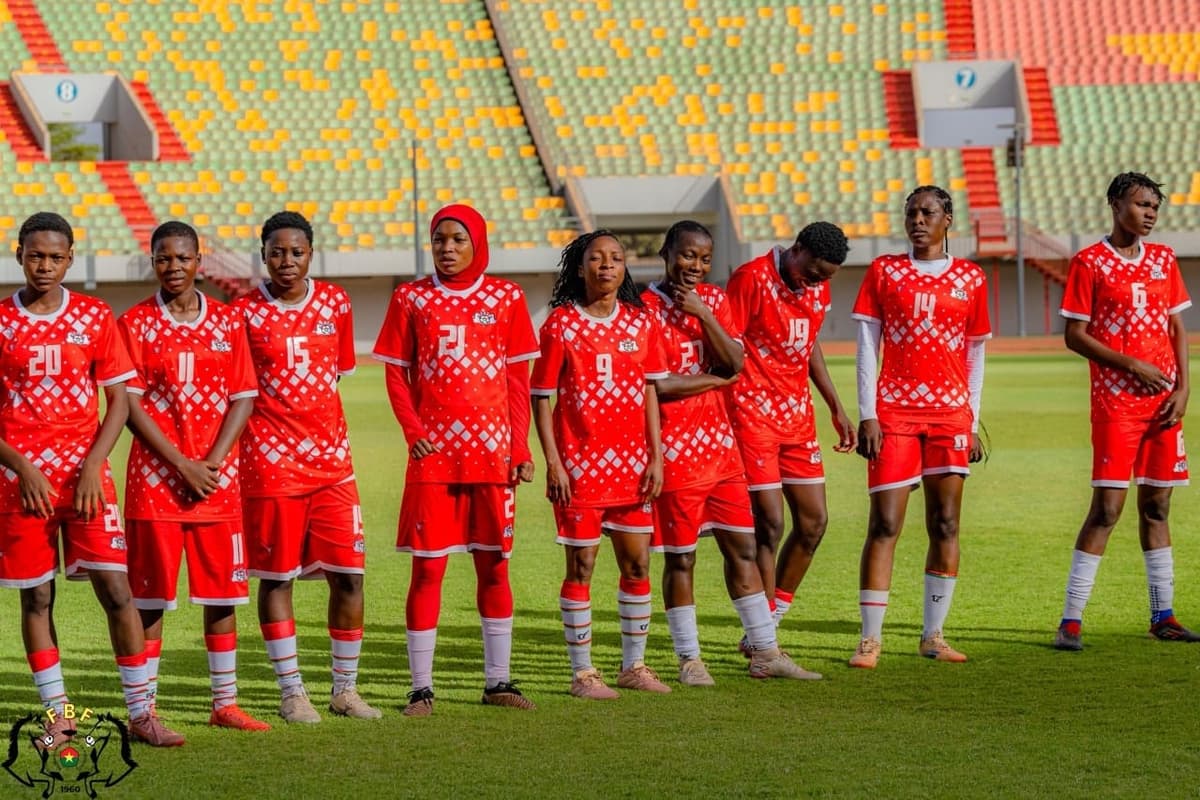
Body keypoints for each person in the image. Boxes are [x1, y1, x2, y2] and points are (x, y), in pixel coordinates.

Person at [0, 212, 182, 747]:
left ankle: (142, 713)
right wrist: (23, 466)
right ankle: (59, 718)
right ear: (20, 255)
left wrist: (89, 466)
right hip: (22, 485)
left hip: (87, 482)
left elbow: (120, 402)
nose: (46, 266)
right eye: (36, 256)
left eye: (56, 257)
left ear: (70, 259)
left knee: (117, 590)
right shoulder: (1, 321)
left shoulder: (95, 315)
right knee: (35, 599)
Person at [373, 204, 539, 716]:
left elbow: (517, 382)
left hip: (491, 457)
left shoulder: (506, 297)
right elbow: (397, 373)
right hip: (435, 458)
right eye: (439, 239)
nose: (447, 248)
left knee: (494, 568)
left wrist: (520, 446)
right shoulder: (411, 297)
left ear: (478, 244)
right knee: (428, 570)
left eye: (457, 240)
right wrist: (414, 431)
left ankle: (498, 682)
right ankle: (420, 688)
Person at [643, 220, 822, 685]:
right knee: (681, 558)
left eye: (703, 258)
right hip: (672, 447)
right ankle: (689, 659)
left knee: (742, 547)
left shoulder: (715, 301)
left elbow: (737, 362)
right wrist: (714, 379)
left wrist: (702, 313)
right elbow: (657, 387)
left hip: (721, 448)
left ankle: (765, 651)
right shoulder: (642, 308)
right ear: (666, 253)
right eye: (686, 256)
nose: (695, 266)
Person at [119, 221, 270, 732]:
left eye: (182, 258)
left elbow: (243, 395)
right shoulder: (135, 323)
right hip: (156, 481)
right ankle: (145, 708)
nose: (173, 267)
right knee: (151, 596)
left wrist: (213, 462)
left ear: (198, 260)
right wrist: (181, 464)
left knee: (222, 593)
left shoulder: (228, 322)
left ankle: (224, 704)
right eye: (163, 258)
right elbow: (128, 403)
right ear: (154, 261)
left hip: (217, 479)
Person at [234, 211, 381, 722]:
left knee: (350, 577)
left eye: (296, 252)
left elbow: (336, 376)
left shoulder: (336, 303)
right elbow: (240, 392)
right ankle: (292, 691)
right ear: (263, 255)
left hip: (333, 467)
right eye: (277, 252)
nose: (287, 261)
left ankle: (345, 690)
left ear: (310, 254)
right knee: (277, 579)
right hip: (271, 467)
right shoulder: (245, 312)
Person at [1054, 172, 1197, 650]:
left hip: (1163, 404)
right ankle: (1071, 620)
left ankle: (1164, 615)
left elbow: (1177, 327)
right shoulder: (1089, 262)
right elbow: (1074, 334)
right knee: (1108, 509)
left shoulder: (1163, 259)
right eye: (1141, 204)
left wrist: (1184, 388)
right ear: (1116, 205)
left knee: (1157, 506)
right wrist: (1131, 364)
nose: (1151, 213)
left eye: (1155, 206)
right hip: (1116, 404)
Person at [849, 185, 990, 669]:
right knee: (885, 523)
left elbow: (975, 354)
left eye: (928, 212)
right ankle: (870, 639)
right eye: (911, 212)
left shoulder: (970, 278)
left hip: (950, 415)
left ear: (948, 219)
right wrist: (867, 411)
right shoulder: (884, 271)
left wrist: (970, 418)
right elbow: (867, 344)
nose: (917, 219)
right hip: (894, 413)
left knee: (945, 523)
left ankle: (933, 634)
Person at [532, 230, 671, 699]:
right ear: (580, 268)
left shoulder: (640, 322)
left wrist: (656, 455)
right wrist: (555, 462)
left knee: (636, 567)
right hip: (581, 468)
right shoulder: (560, 325)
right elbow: (542, 397)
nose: (607, 266)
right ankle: (583, 673)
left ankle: (634, 666)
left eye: (616, 258)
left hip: (633, 468)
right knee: (582, 567)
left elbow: (651, 390)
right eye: (597, 258)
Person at [724, 221, 854, 652]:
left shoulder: (818, 283)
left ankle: (768, 621)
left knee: (814, 522)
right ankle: (762, 639)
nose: (818, 283)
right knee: (770, 525)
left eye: (826, 278)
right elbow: (726, 345)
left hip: (797, 418)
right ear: (796, 249)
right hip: (751, 415)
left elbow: (809, 342)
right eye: (814, 273)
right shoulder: (751, 279)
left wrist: (834, 404)